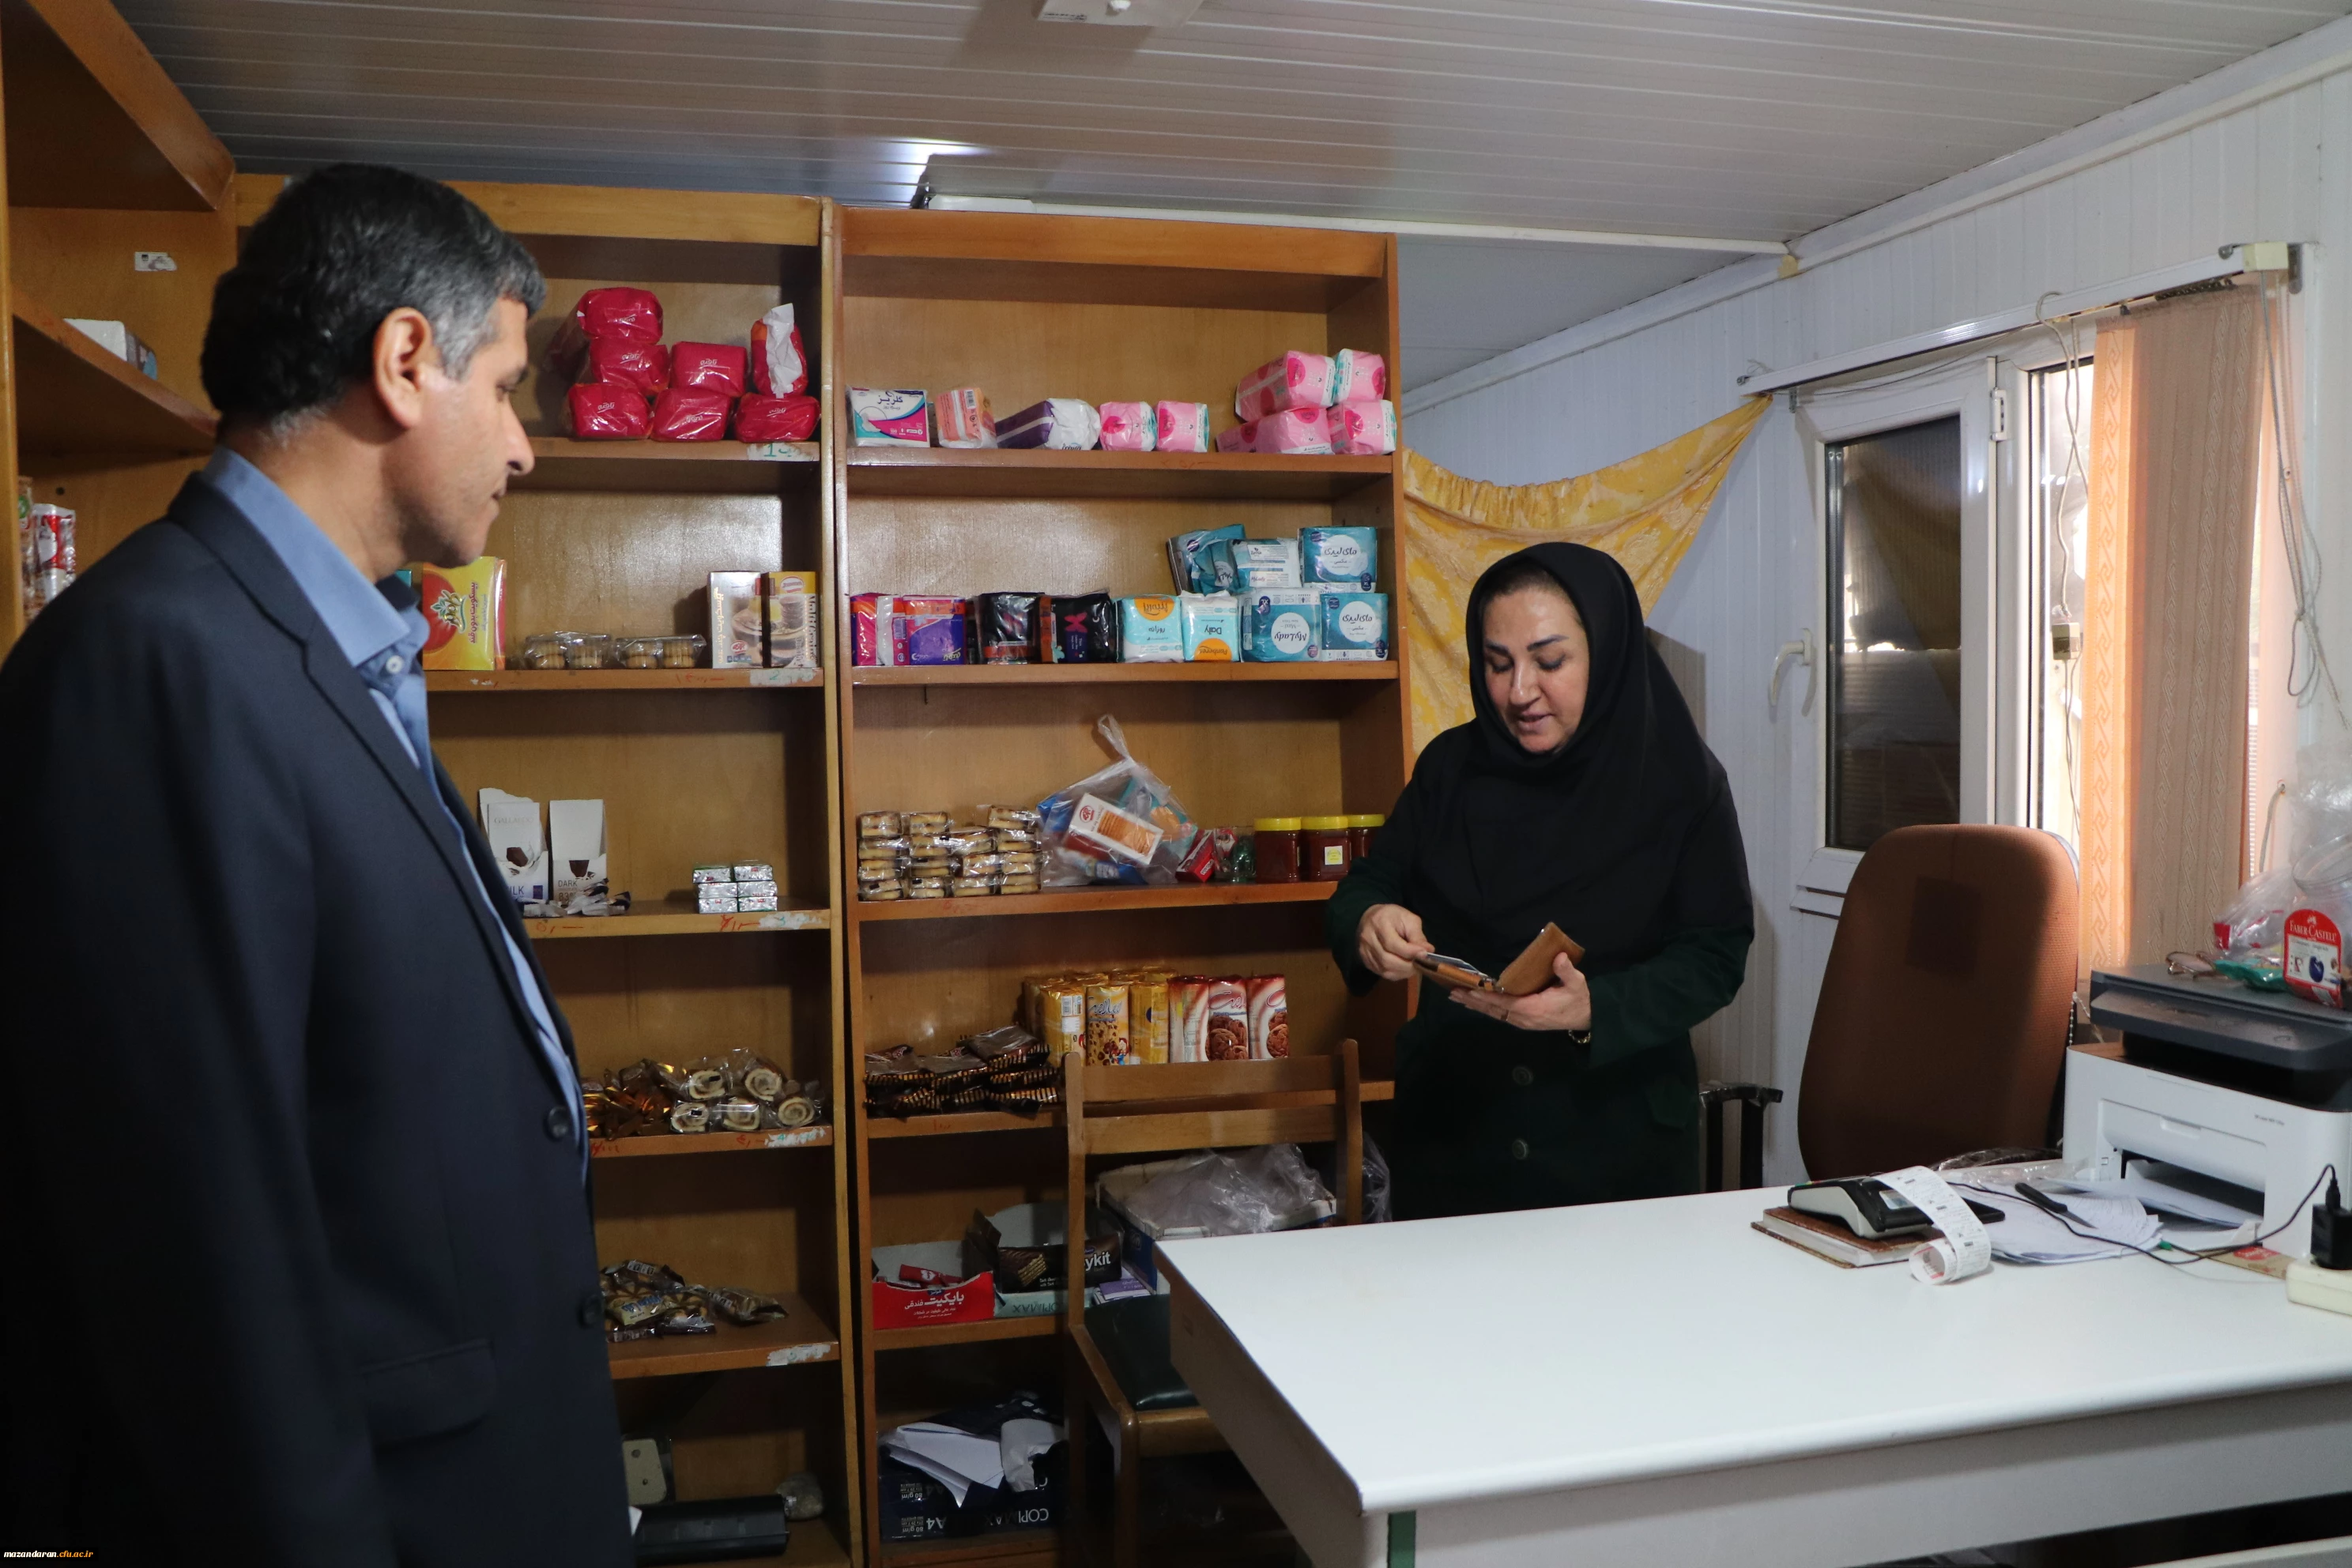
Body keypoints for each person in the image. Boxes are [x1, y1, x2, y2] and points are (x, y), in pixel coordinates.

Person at [0, 167, 631, 1564]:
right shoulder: (159, 662)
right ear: (405, 361)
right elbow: (197, 1245)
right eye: (506, 389)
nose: (523, 448)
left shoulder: (329, 643)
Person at [1327, 543, 1753, 1219]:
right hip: (1458, 1140)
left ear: (1607, 654)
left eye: (1549, 662)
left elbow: (1715, 954)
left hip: (1618, 1149)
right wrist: (1370, 921)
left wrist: (1596, 1008)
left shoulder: (1681, 783)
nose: (1519, 691)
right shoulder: (1450, 768)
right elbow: (1369, 882)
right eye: (1498, 664)